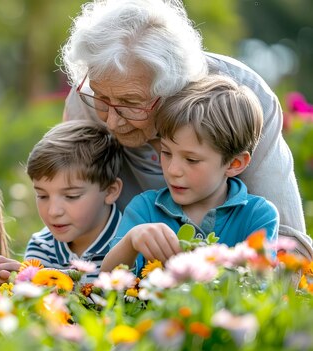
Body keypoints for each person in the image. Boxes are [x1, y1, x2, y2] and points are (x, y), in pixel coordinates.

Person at [60, 0, 313, 259]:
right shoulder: (89, 96)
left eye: (131, 103)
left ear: (173, 88)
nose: (111, 122)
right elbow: (64, 206)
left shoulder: (243, 101)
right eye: (102, 99)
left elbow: (288, 245)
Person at [101, 75, 279, 273]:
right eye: (166, 153)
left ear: (234, 163)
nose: (172, 170)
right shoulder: (145, 208)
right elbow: (106, 281)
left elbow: (259, 287)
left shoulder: (257, 215)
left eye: (191, 160)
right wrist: (131, 241)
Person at [24, 119, 124, 282]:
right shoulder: (42, 247)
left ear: (110, 190)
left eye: (71, 196)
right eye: (42, 196)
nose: (53, 211)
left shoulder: (128, 244)